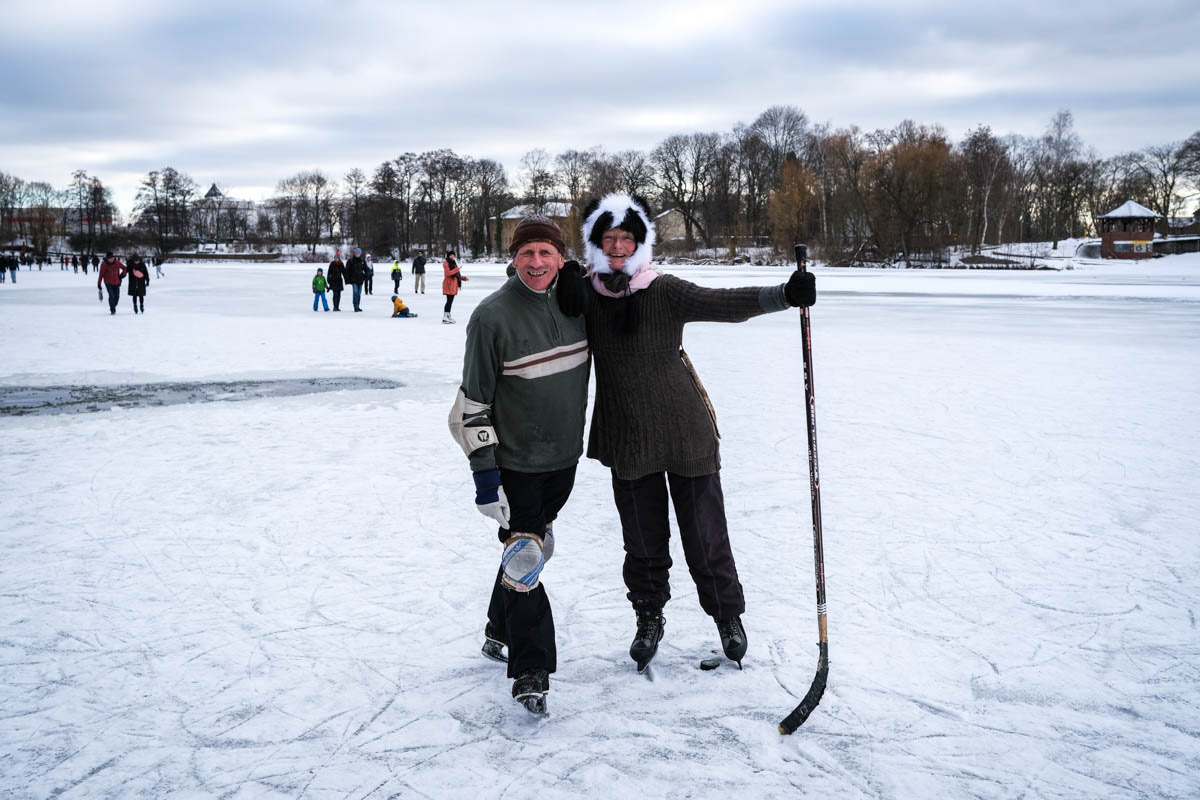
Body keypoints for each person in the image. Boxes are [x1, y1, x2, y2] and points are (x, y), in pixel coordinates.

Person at [557, 193, 817, 672]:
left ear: (640, 243)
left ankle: (727, 617)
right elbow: (536, 286)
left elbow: (723, 303)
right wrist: (542, 274)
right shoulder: (583, 294)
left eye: (627, 238)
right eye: (608, 238)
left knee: (705, 535)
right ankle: (648, 616)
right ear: (596, 242)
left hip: (685, 430)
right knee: (642, 539)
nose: (617, 246)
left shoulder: (664, 289)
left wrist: (784, 294)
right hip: (627, 434)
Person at [448, 214, 589, 714]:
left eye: (545, 253)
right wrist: (486, 476)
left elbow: (626, 283)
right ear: (513, 258)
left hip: (563, 459)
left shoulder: (578, 303)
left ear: (561, 258)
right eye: (526, 253)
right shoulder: (492, 317)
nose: (535, 263)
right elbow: (471, 406)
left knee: (528, 546)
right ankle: (532, 670)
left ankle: (496, 628)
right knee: (526, 555)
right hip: (516, 463)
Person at [441, 250, 467, 324]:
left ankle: (448, 316)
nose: (453, 256)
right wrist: (457, 269)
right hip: (448, 284)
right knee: (449, 301)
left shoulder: (453, 263)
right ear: (448, 256)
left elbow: (456, 275)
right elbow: (448, 273)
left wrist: (463, 278)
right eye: (451, 255)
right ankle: (445, 317)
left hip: (453, 284)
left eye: (453, 255)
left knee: (450, 301)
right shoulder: (446, 263)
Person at [346, 247, 368, 312]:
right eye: (356, 253)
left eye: (358, 253)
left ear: (360, 254)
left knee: (358, 294)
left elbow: (366, 270)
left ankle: (358, 306)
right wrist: (348, 279)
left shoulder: (362, 261)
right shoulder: (351, 261)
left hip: (360, 280)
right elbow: (347, 270)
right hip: (353, 280)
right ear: (354, 253)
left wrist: (365, 276)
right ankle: (355, 306)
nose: (357, 254)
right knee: (355, 292)